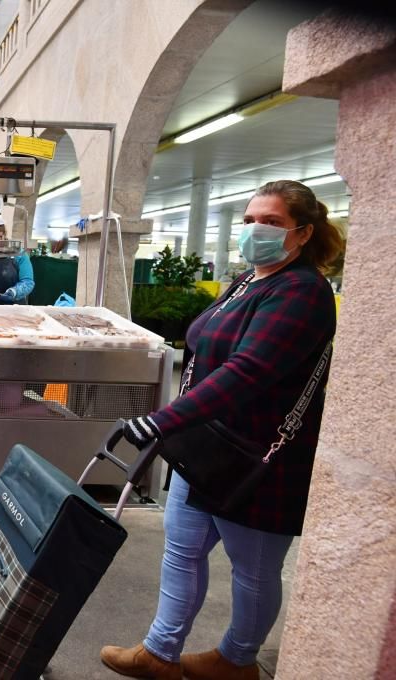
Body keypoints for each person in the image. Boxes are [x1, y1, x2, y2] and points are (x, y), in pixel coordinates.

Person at [100, 180, 344, 680]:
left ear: (302, 233)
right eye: (251, 219)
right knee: (182, 551)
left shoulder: (302, 291)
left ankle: (237, 659)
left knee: (252, 569)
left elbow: (250, 370)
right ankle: (160, 652)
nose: (257, 229)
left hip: (258, 458)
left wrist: (163, 419)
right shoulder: (246, 281)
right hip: (206, 446)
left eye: (272, 222)